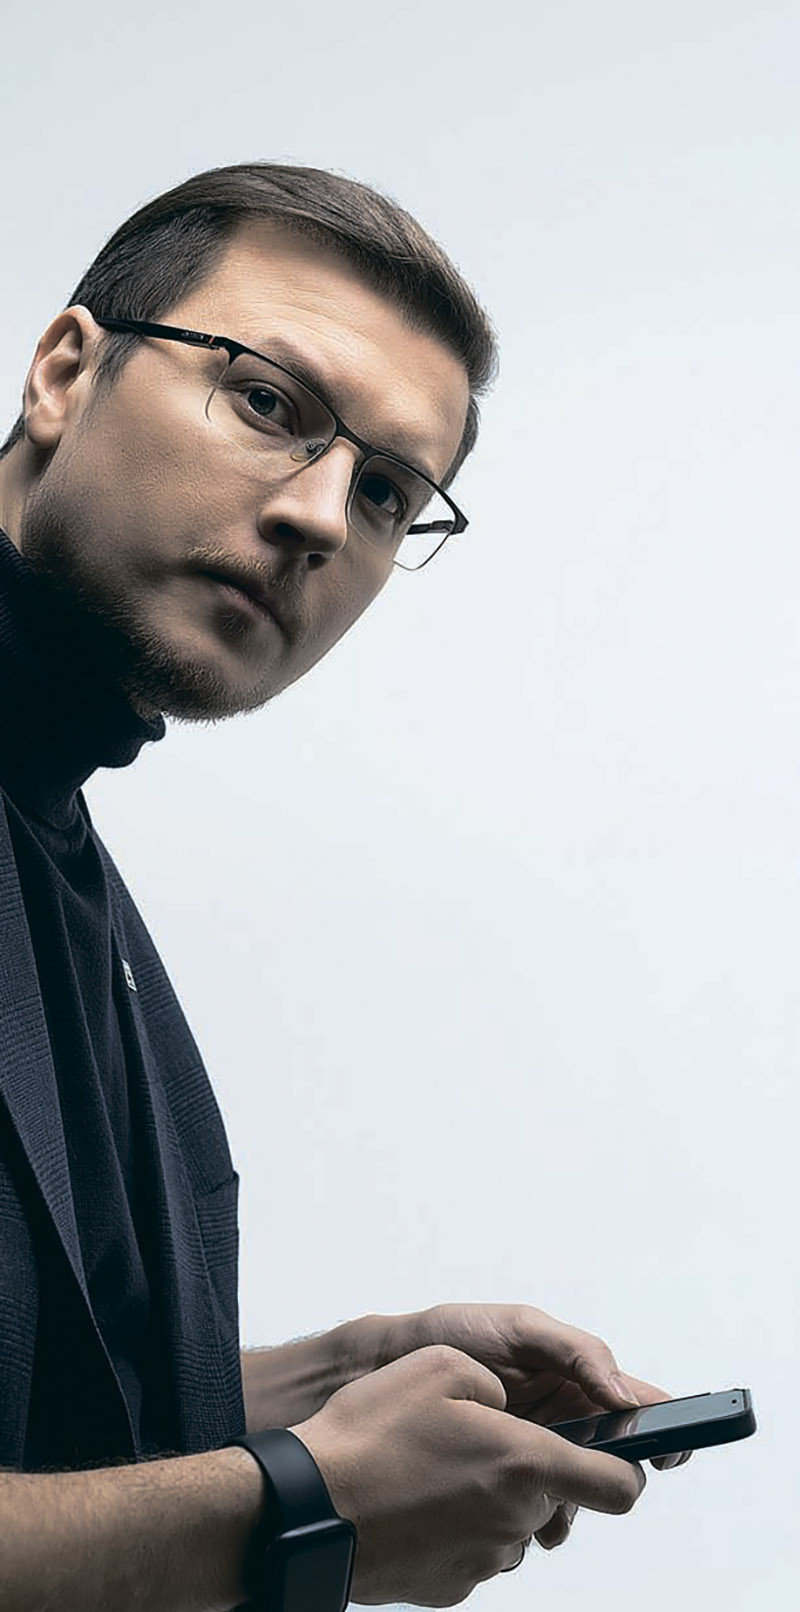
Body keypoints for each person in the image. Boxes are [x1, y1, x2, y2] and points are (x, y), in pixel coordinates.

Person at [0, 162, 685, 1612]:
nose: (320, 515)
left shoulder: (64, 865)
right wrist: (298, 1507)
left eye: (385, 490)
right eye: (266, 402)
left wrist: (319, 1387)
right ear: (64, 373)